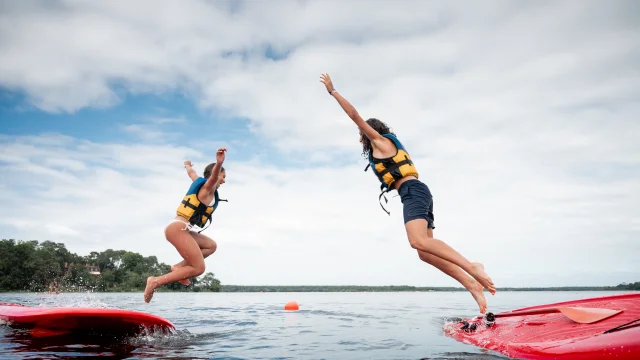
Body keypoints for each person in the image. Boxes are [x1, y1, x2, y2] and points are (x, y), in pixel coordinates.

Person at [319, 73, 496, 314]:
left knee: (417, 242)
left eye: (364, 133)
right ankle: (471, 284)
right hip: (417, 192)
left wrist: (333, 92)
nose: (363, 136)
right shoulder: (387, 146)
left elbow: (354, 116)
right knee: (425, 252)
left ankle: (472, 267)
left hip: (413, 191)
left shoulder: (380, 141)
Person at [144, 148, 227, 303]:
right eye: (223, 176)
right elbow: (213, 176)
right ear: (214, 176)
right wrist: (219, 163)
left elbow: (192, 174)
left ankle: (178, 267)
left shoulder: (201, 185)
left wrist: (187, 165)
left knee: (210, 246)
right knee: (198, 268)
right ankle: (155, 281)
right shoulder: (209, 188)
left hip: (183, 228)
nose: (224, 180)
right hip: (178, 228)